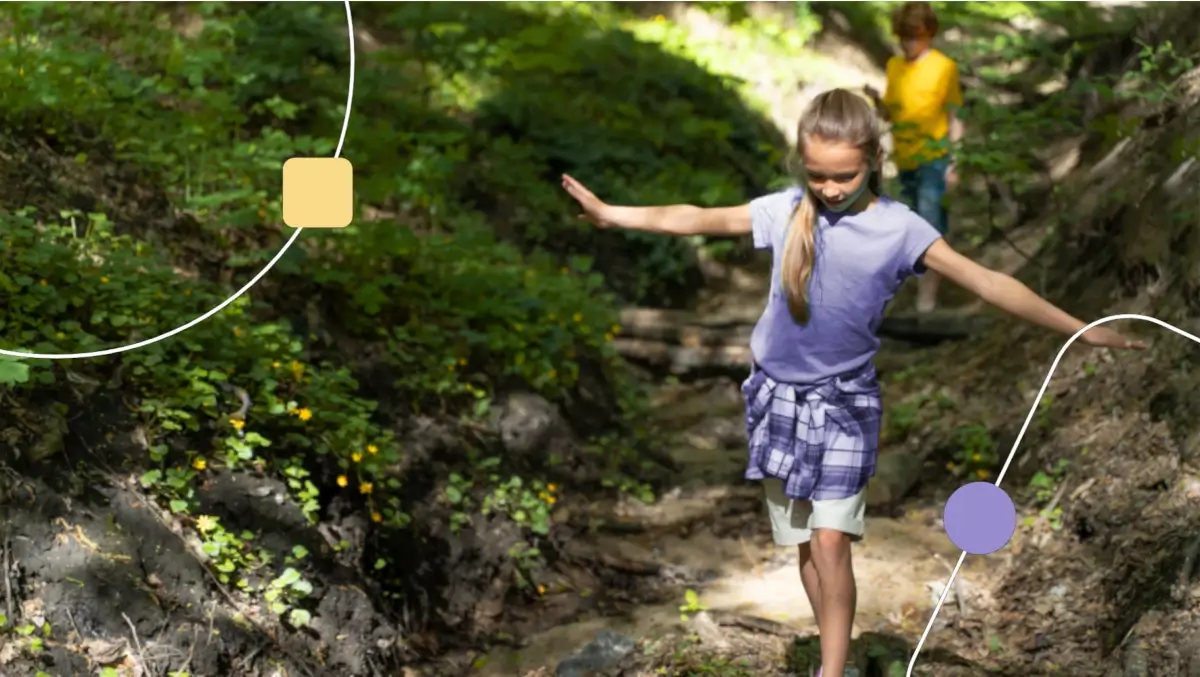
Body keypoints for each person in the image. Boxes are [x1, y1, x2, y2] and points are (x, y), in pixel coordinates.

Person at [560, 88, 1144, 677]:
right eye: (818, 175)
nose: (831, 189)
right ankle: (828, 646)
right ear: (801, 165)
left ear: (873, 162)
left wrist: (1083, 328)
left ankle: (832, 670)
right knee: (806, 545)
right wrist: (612, 214)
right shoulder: (786, 210)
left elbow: (988, 282)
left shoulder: (900, 229)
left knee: (833, 540)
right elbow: (696, 218)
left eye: (845, 176)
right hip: (776, 399)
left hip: (844, 403)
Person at [866, 1, 964, 314]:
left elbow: (955, 115)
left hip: (934, 156)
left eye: (916, 36)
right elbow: (891, 113)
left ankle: (927, 300)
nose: (910, 43)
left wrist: (955, 161)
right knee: (904, 228)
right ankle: (907, 294)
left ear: (929, 34)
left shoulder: (944, 66)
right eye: (905, 36)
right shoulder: (895, 66)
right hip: (904, 158)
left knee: (930, 225)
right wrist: (876, 101)